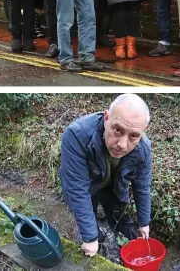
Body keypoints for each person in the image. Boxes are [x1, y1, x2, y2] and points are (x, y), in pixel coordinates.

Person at [60, 94, 152, 257]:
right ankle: (99, 243)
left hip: (114, 185)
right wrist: (90, 237)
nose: (122, 145)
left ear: (142, 133)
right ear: (106, 118)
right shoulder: (77, 136)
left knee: (120, 218)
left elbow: (142, 187)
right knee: (90, 221)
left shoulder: (143, 149)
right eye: (118, 130)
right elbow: (77, 189)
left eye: (133, 136)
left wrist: (144, 222)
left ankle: (127, 249)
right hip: (87, 185)